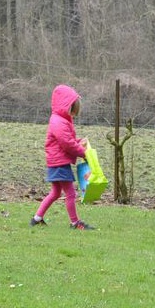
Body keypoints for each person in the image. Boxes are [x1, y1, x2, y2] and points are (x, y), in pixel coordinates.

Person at [30, 84, 95, 230]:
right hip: (59, 163)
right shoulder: (58, 121)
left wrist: (80, 142)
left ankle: (36, 218)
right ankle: (75, 223)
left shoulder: (60, 120)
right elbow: (67, 143)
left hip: (56, 161)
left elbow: (68, 140)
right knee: (70, 193)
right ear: (66, 105)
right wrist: (83, 153)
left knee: (55, 192)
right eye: (73, 109)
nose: (74, 113)